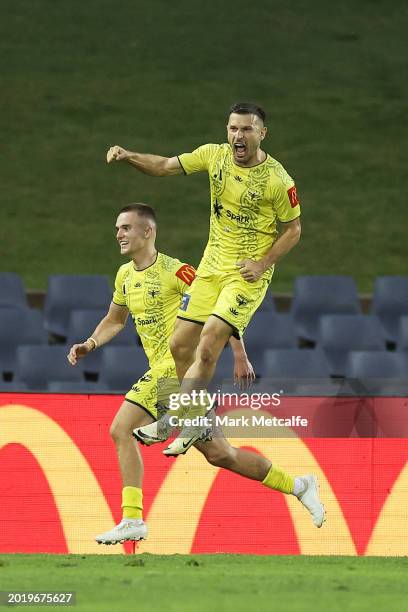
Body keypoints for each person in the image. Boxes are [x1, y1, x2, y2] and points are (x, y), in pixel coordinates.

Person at [68, 204, 324, 547]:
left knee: (120, 429)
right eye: (117, 228)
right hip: (172, 378)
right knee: (221, 455)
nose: (119, 234)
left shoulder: (179, 271)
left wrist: (238, 352)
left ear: (148, 232)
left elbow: (218, 305)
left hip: (176, 372)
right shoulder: (124, 276)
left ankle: (132, 518)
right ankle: (299, 485)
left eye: (127, 228)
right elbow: (115, 319)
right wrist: (91, 342)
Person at [107, 102, 302, 457]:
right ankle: (198, 423)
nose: (237, 136)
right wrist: (128, 155)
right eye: (232, 129)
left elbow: (294, 229)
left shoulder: (278, 179)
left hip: (245, 275)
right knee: (180, 346)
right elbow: (165, 166)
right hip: (211, 268)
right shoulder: (214, 156)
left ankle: (172, 420)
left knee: (211, 337)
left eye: (246, 129)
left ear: (262, 133)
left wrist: (262, 262)